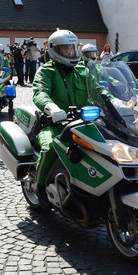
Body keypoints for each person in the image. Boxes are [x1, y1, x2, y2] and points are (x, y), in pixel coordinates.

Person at [32, 29, 91, 205]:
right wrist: (51, 107)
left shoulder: (83, 72)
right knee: (50, 147)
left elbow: (100, 90)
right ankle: (40, 188)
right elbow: (40, 93)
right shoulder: (46, 71)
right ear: (55, 50)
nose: (72, 53)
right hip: (55, 125)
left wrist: (115, 101)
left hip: (84, 123)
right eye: (67, 49)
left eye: (73, 49)